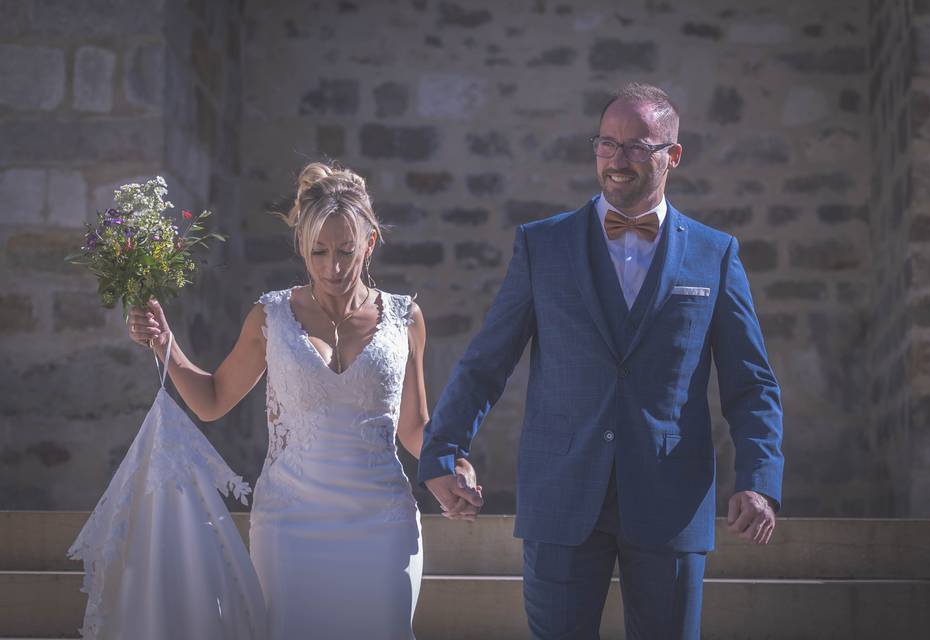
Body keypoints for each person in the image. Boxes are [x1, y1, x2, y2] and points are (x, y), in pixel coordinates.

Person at [418, 83, 784, 639]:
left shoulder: (715, 253)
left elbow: (751, 383)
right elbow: (486, 361)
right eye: (606, 144)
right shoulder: (542, 246)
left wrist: (759, 479)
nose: (617, 160)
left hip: (671, 498)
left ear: (672, 156)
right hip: (561, 492)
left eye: (637, 146)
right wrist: (443, 451)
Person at [127, 161, 479, 639]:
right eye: (318, 251)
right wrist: (164, 343)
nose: (333, 267)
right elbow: (212, 400)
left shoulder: (405, 318)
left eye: (346, 251)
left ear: (370, 243)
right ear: (300, 246)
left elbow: (416, 428)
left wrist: (456, 466)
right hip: (289, 528)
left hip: (382, 525)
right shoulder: (270, 316)